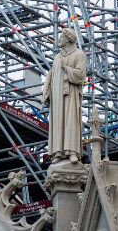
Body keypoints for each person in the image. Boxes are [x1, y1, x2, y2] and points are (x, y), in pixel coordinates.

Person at [42, 28, 86, 164]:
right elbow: (51, 74)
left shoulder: (79, 54)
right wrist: (47, 91)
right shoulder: (57, 57)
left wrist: (65, 68)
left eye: (61, 37)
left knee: (71, 121)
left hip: (70, 94)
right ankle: (58, 152)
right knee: (58, 122)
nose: (59, 39)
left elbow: (80, 75)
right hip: (57, 96)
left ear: (68, 39)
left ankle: (72, 151)